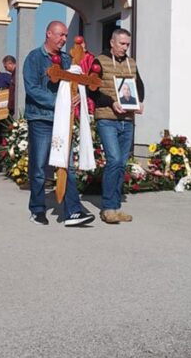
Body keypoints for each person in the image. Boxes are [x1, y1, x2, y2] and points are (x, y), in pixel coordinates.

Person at [23, 21, 96, 227]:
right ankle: (37, 209)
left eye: (66, 35)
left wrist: (78, 94)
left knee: (67, 166)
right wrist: (60, 101)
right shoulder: (34, 58)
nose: (64, 39)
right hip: (41, 119)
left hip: (63, 120)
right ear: (48, 33)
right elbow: (32, 88)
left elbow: (75, 81)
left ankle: (73, 212)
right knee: (39, 167)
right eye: (60, 35)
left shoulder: (66, 60)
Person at [90, 28, 144, 224]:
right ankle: (108, 208)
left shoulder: (131, 63)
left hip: (127, 120)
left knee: (121, 163)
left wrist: (139, 102)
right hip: (107, 119)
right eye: (122, 43)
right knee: (113, 160)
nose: (125, 47)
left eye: (127, 44)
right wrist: (111, 102)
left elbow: (139, 86)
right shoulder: (99, 61)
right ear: (112, 43)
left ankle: (115, 206)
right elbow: (92, 89)